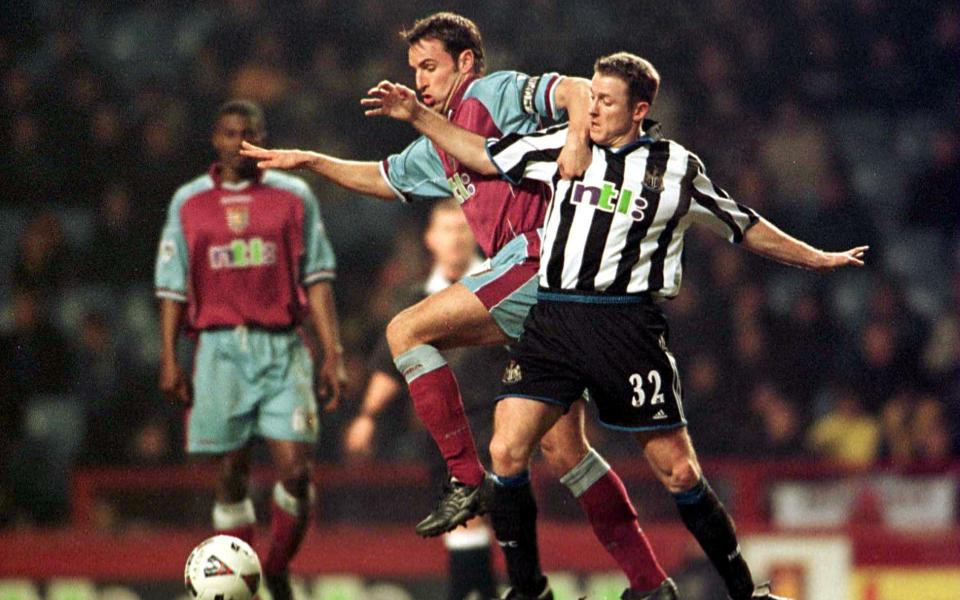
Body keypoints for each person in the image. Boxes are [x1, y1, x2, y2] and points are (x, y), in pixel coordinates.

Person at [364, 51, 869, 600]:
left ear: (640, 109)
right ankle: (529, 591)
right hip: (554, 319)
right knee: (507, 451)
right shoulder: (563, 145)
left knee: (677, 471)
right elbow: (481, 155)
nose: (592, 107)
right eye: (592, 96)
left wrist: (816, 257)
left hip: (624, 329)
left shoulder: (675, 168)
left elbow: (742, 225)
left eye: (605, 100)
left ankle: (745, 592)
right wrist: (418, 117)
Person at [241, 12, 676, 600]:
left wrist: (576, 139)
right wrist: (313, 162)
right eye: (414, 69)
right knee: (564, 449)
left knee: (406, 330)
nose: (419, 80)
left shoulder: (493, 93)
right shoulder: (441, 143)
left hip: (541, 260)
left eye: (430, 66)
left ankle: (465, 480)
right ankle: (651, 584)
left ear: (465, 62)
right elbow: (384, 175)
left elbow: (575, 89)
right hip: (540, 290)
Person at [154, 99, 347, 600]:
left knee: (298, 472)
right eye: (228, 132)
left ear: (261, 137)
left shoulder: (294, 195)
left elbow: (319, 278)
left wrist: (334, 353)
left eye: (248, 133)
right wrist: (171, 359)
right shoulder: (188, 201)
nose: (238, 142)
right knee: (231, 474)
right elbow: (173, 286)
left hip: (282, 346)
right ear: (215, 140)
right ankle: (249, 587)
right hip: (218, 350)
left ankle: (274, 568)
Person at [344, 199, 500, 600]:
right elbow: (389, 362)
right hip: (445, 431)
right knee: (465, 527)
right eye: (447, 229)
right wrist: (367, 416)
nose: (456, 238)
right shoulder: (415, 299)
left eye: (463, 228)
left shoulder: (501, 283)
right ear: (430, 239)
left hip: (498, 421)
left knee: (481, 520)